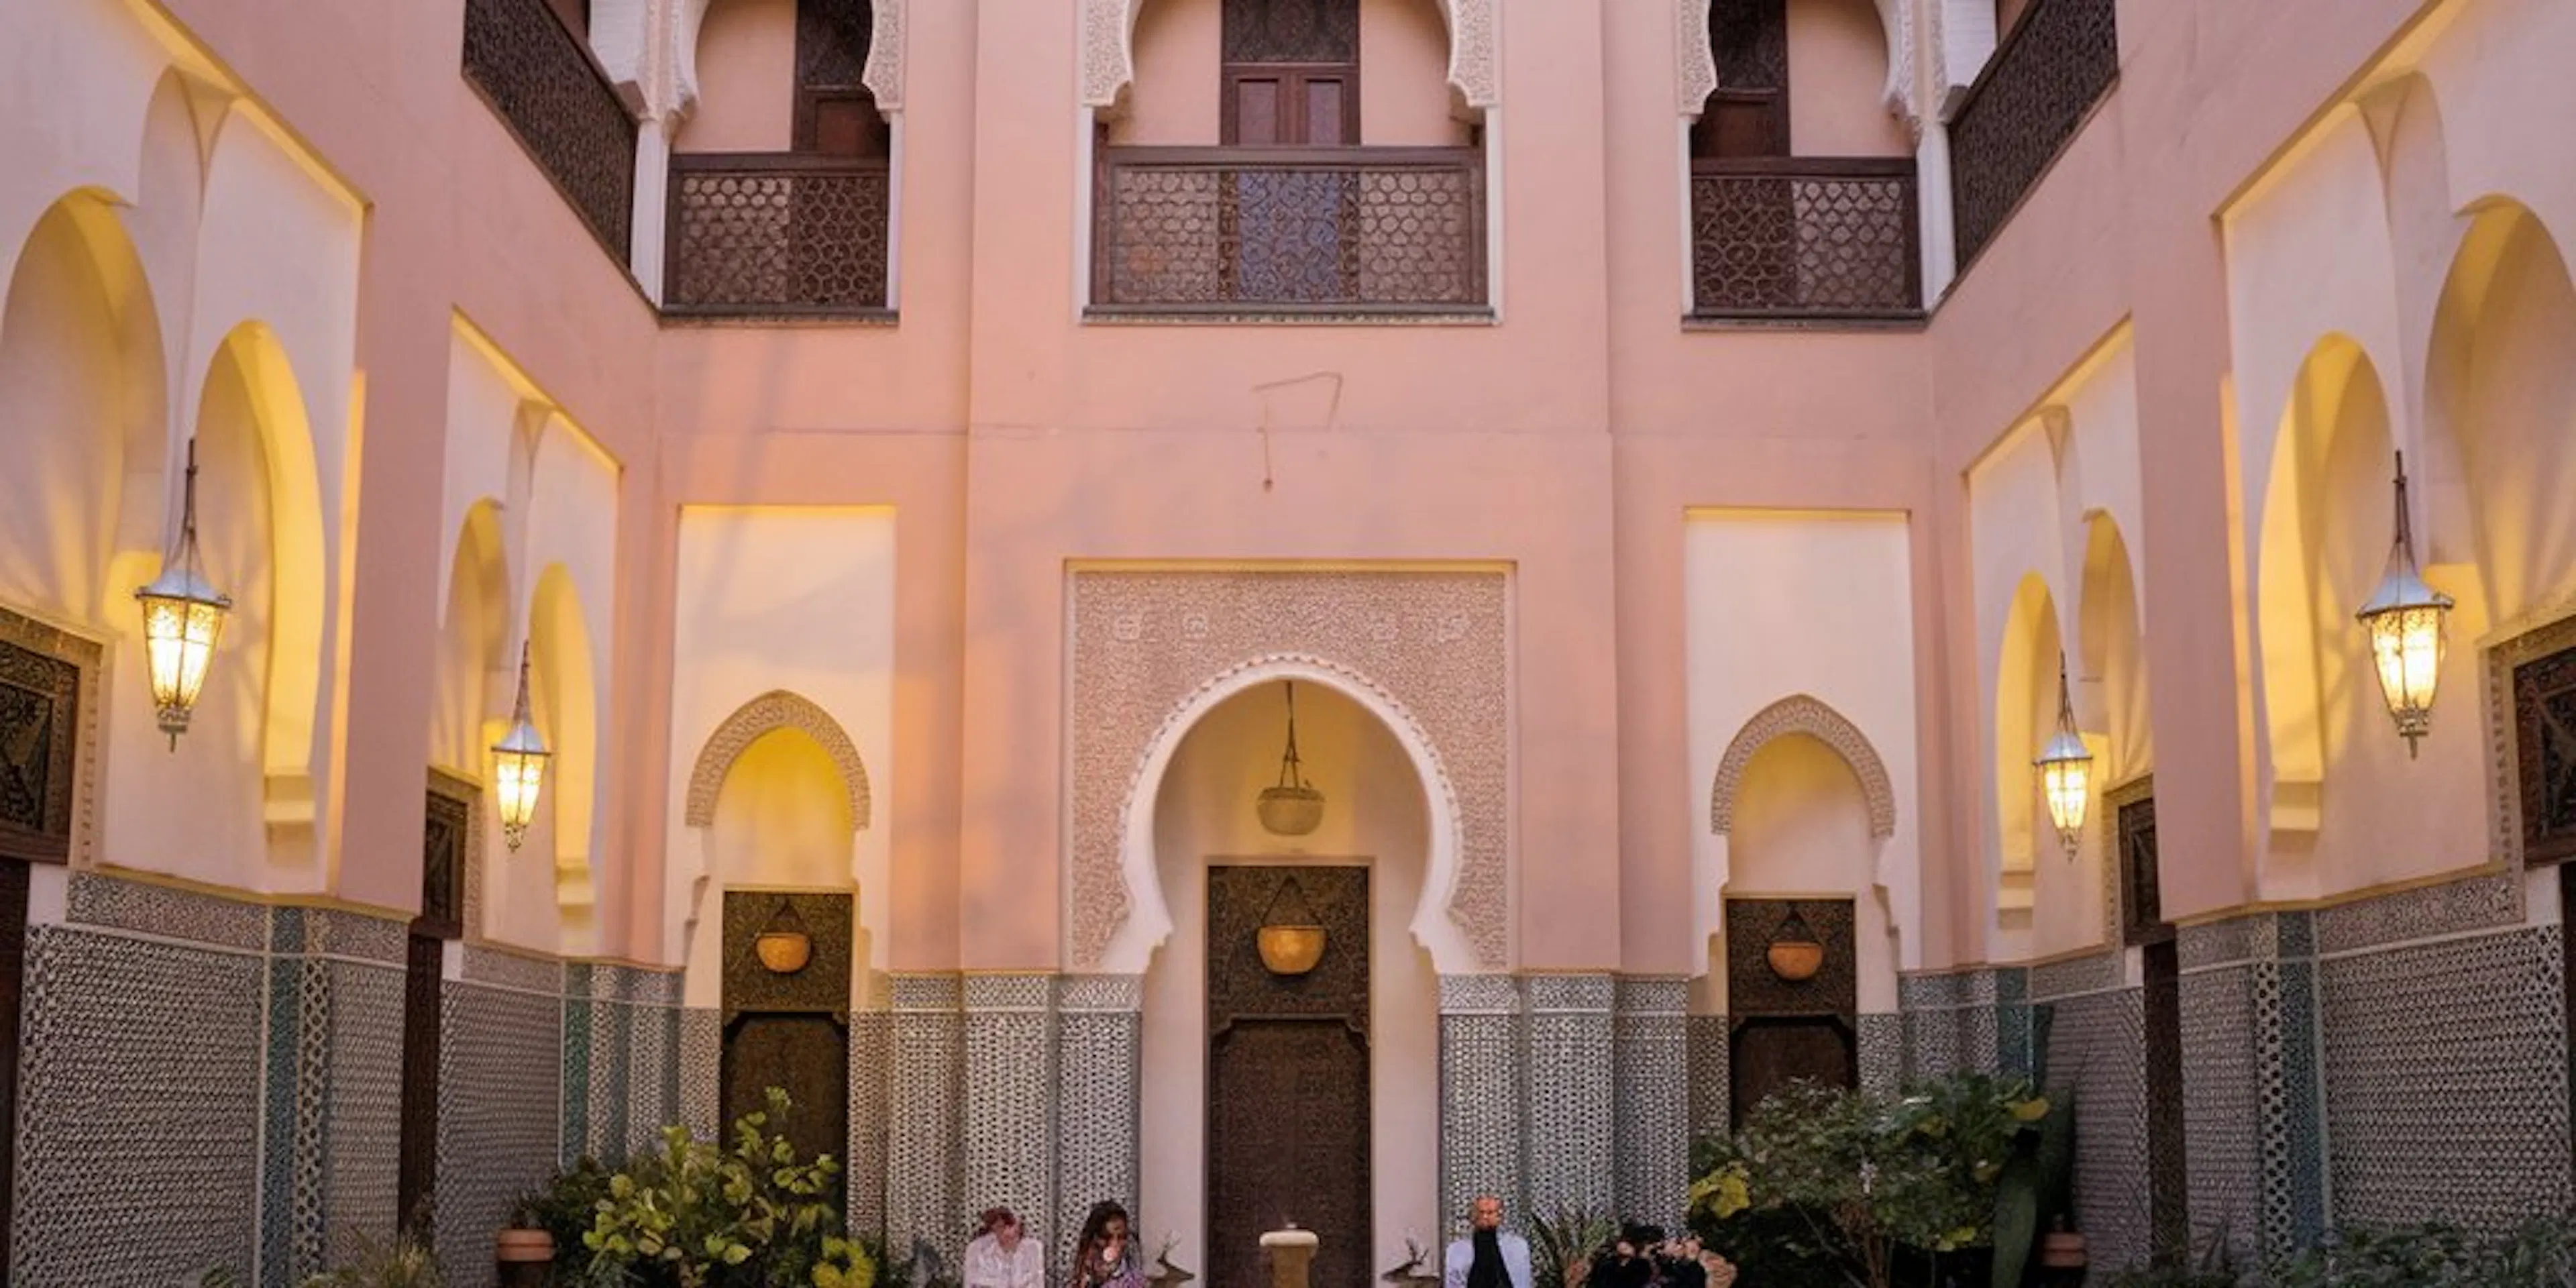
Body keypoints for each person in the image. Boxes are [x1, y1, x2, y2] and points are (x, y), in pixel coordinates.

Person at [1442, 1195, 1532, 1288]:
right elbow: (1453, 1282)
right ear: (1472, 1216)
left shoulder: (1517, 1247)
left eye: (1490, 1213)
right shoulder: (1457, 1250)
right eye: (1481, 1212)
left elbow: (1523, 1280)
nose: (1485, 1217)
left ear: (1499, 1216)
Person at [1069, 1200, 1147, 1288]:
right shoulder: (1082, 1269)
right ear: (1093, 1238)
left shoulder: (1134, 1281)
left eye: (1122, 1237)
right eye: (1106, 1237)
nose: (1114, 1244)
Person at [965, 1206, 1044, 1288]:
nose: (1007, 1232)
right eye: (1001, 1227)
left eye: (1010, 1225)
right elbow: (971, 1283)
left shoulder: (1033, 1248)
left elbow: (1038, 1283)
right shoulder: (977, 1249)